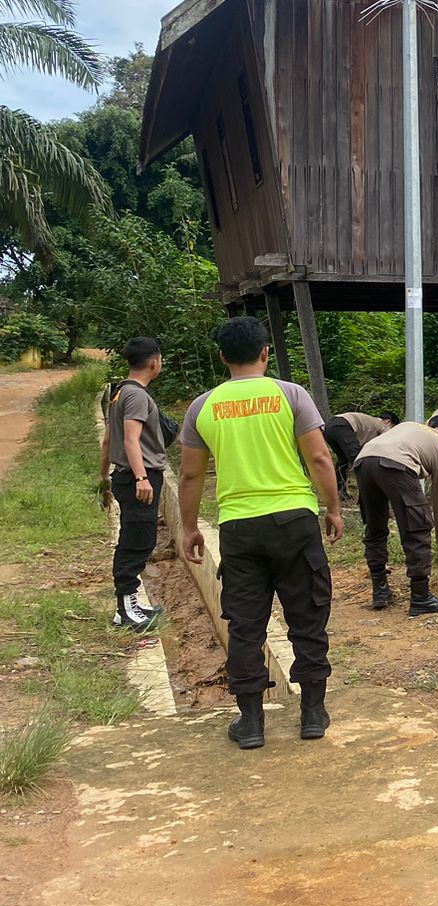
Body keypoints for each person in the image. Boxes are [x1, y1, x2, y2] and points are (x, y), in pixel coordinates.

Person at [177, 316, 343, 750]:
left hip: (238, 526)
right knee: (307, 616)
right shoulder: (291, 395)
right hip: (294, 520)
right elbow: (320, 458)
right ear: (265, 353)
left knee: (246, 623)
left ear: (222, 358)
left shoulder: (202, 407)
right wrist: (333, 508)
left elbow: (191, 476)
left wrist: (191, 527)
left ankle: (251, 722)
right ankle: (312, 713)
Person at [354, 420, 438, 616]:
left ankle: (380, 591)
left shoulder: (411, 427)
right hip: (396, 463)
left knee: (375, 526)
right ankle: (420, 597)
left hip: (363, 461)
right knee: (417, 527)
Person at [100, 337, 167, 630]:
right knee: (137, 541)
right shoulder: (137, 395)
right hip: (138, 476)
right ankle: (127, 609)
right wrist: (141, 477)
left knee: (135, 537)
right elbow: (130, 438)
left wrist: (104, 477)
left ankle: (129, 606)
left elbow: (107, 440)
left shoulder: (119, 393)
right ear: (154, 362)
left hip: (124, 474)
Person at [322, 410, 398, 490]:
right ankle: (365, 496)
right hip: (343, 426)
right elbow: (386, 439)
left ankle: (340, 491)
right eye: (393, 427)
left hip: (329, 427)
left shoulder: (370, 423)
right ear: (388, 421)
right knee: (359, 462)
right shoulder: (382, 424)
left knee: (343, 460)